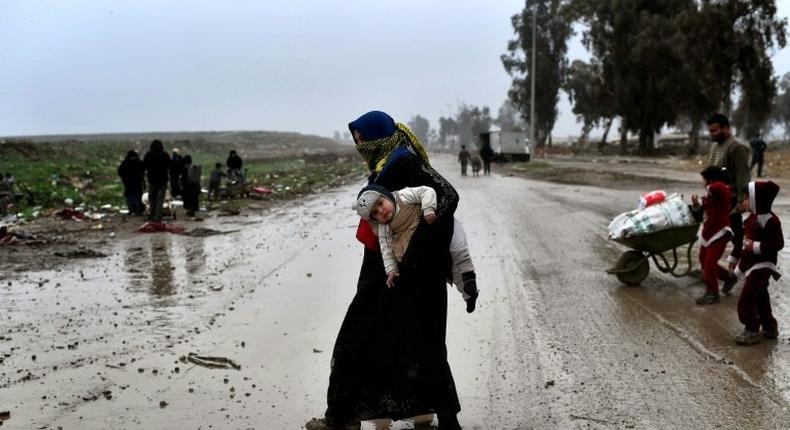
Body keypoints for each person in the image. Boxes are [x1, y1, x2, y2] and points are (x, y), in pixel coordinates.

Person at [307, 111, 463, 430]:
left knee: (368, 337)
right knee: (405, 340)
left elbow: (448, 195)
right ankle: (424, 415)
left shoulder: (401, 161)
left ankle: (341, 417)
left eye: (361, 137)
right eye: (355, 139)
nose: (358, 144)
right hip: (390, 271)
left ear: (378, 136)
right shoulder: (385, 164)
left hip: (411, 272)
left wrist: (416, 250)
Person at [354, 184, 478, 312]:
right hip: (422, 249)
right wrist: (391, 269)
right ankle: (469, 295)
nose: (381, 210)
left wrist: (428, 209)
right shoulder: (383, 227)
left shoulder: (402, 196)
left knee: (457, 249)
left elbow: (426, 191)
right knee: (449, 269)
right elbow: (386, 250)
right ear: (374, 219)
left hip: (436, 227)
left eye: (380, 203)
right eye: (375, 212)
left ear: (387, 195)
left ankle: (469, 275)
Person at [732, 180, 783, 345]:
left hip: (763, 265)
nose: (744, 202)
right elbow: (743, 242)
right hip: (751, 264)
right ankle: (769, 326)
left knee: (747, 297)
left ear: (756, 199)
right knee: (761, 296)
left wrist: (756, 246)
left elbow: (777, 244)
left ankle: (752, 328)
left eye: (746, 198)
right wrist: (735, 259)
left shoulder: (770, 220)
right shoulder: (752, 218)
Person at [706, 113, 751, 272]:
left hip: (730, 199)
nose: (712, 134)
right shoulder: (714, 147)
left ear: (726, 128)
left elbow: (742, 176)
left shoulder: (737, 148)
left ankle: (740, 264)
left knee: (735, 235)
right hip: (716, 200)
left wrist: (741, 200)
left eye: (715, 131)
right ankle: (718, 267)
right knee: (721, 233)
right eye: (710, 131)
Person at [690, 166, 738, 305]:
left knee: (709, 266)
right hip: (708, 232)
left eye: (704, 180)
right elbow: (703, 210)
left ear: (710, 180)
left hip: (720, 233)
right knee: (704, 262)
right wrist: (696, 205)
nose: (703, 183)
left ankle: (713, 293)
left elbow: (719, 188)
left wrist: (711, 185)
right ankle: (729, 277)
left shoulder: (722, 189)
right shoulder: (710, 192)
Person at [142, 139, 171, 222]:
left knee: (152, 199)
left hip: (152, 180)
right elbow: (169, 166)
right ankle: (157, 217)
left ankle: (152, 215)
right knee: (160, 200)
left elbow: (144, 167)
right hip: (162, 180)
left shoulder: (148, 155)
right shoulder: (165, 155)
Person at [117, 150, 145, 215]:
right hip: (137, 183)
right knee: (138, 196)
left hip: (128, 183)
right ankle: (138, 210)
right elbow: (142, 171)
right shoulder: (138, 162)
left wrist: (124, 178)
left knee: (129, 196)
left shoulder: (125, 163)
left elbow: (120, 172)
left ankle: (131, 209)